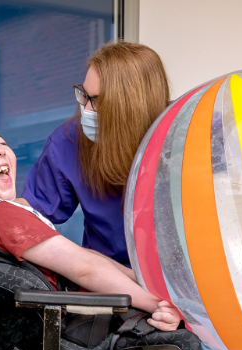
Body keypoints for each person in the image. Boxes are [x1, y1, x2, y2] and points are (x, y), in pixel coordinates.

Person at [0, 117, 179, 332]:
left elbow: (82, 256)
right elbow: (85, 268)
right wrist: (158, 304)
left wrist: (145, 281)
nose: (0, 150)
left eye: (1, 142)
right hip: (85, 327)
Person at [21, 41, 170, 267]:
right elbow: (30, 217)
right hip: (110, 282)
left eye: (99, 101)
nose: (86, 111)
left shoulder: (185, 133)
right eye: (84, 95)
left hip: (182, 278)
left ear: (133, 106)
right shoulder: (68, 142)